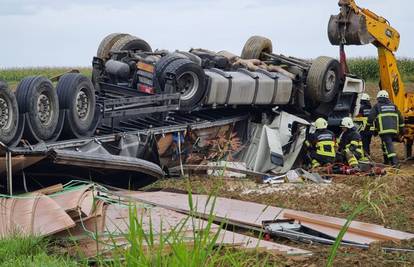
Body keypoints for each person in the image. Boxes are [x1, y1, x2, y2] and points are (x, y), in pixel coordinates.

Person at [368, 90, 404, 166]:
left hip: (384, 130)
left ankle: (395, 163)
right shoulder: (393, 106)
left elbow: (371, 118)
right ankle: (387, 161)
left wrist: (368, 127)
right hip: (394, 130)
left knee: (388, 145)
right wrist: (402, 131)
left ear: (379, 98)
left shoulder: (377, 106)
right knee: (385, 145)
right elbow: (401, 119)